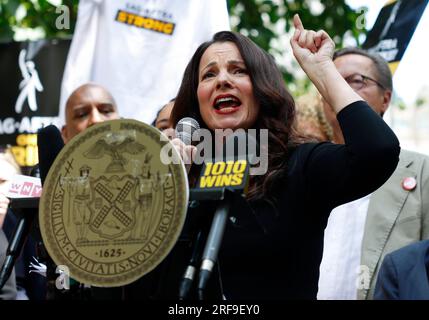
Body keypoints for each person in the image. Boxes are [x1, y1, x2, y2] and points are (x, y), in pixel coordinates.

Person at [169, 15, 400, 299]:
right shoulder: (178, 174)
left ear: (263, 88)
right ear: (196, 97)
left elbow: (377, 152)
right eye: (209, 75)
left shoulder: (299, 166)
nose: (223, 81)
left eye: (238, 71)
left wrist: (322, 70)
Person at [317, 47, 429, 300]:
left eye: (357, 81)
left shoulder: (422, 173)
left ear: (386, 99)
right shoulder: (307, 169)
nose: (341, 90)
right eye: (332, 80)